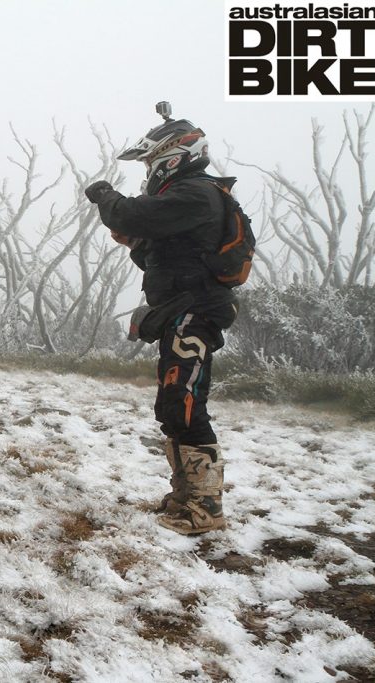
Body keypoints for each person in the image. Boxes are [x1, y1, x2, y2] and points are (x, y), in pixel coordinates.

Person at [83, 105, 238, 535]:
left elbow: (130, 213)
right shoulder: (190, 199)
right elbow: (162, 263)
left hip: (197, 310)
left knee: (185, 404)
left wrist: (105, 196)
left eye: (151, 162)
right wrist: (136, 242)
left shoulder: (195, 193)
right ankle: (187, 495)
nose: (149, 172)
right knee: (174, 404)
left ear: (174, 156)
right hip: (182, 307)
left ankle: (205, 507)